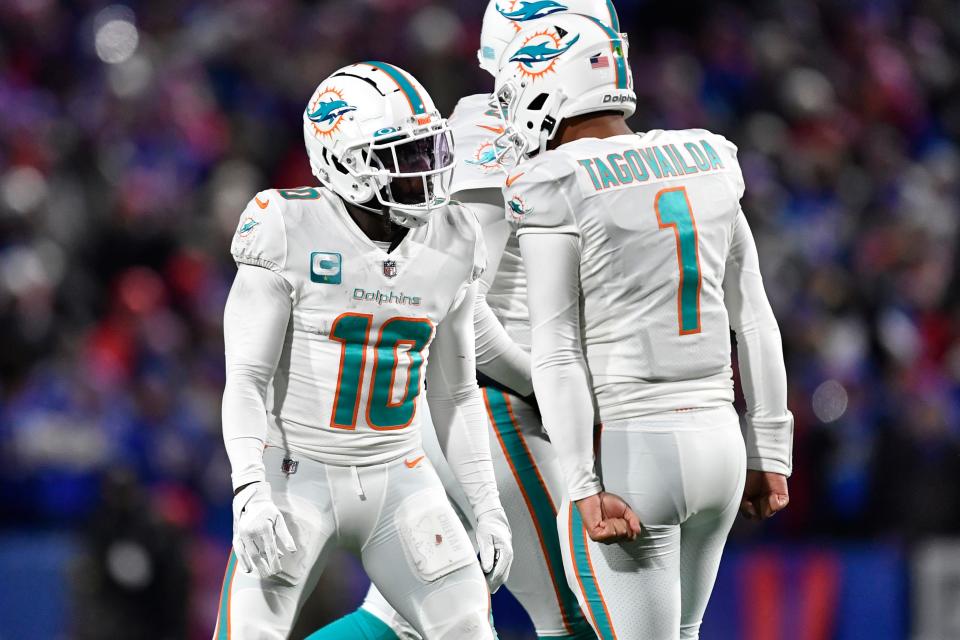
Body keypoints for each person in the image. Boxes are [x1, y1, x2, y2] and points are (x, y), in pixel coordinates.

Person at [309, 3, 622, 639]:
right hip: (497, 409)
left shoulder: (550, 128)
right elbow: (457, 296)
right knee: (579, 615)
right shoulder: (492, 128)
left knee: (401, 622)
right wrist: (545, 384)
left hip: (478, 410)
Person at [495, 14, 794, 640]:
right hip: (721, 446)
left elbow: (556, 348)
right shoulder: (707, 156)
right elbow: (756, 318)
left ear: (549, 88)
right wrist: (771, 448)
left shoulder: (558, 182)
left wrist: (578, 481)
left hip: (633, 452)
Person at [213, 61, 513, 640]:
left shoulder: (453, 237)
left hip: (399, 471)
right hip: (294, 469)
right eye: (405, 155)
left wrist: (487, 507)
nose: (428, 170)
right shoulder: (286, 226)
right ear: (347, 163)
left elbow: (453, 393)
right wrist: (249, 487)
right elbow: (246, 379)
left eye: (429, 150)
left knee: (470, 628)